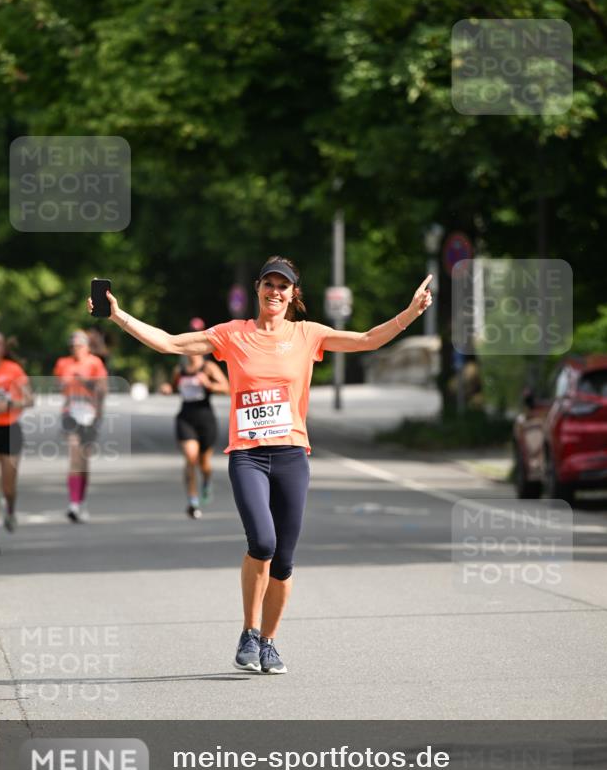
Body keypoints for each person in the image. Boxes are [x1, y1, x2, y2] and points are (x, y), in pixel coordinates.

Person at [88, 256, 433, 674]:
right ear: (257, 289)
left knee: (284, 561)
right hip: (248, 456)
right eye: (269, 284)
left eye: (283, 286)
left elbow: (366, 340)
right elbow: (171, 344)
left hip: (291, 454)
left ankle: (269, 643)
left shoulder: (308, 335)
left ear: (293, 294)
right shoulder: (233, 335)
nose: (275, 292)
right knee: (263, 544)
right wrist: (119, 314)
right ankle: (248, 633)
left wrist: (410, 313)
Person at [0, 332, 33, 554]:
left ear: (3, 349)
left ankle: (10, 509)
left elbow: (30, 400)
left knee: (8, 487)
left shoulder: (13, 370)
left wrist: (9, 403)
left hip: (11, 431)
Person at [167, 340, 229, 519]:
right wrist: (167, 388)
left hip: (205, 419)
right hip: (185, 418)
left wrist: (209, 385)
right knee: (190, 459)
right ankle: (193, 502)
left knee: (204, 463)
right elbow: (173, 387)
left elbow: (227, 388)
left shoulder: (208, 368)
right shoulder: (179, 371)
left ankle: (207, 480)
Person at [53, 330, 108, 523]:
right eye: (73, 346)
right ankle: (73, 504)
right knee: (74, 456)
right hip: (70, 412)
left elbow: (103, 389)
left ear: (87, 347)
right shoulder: (63, 363)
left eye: (80, 345)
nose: (76, 349)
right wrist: (65, 383)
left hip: (89, 413)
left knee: (84, 462)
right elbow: (57, 385)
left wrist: (86, 383)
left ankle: (80, 500)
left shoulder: (95, 363)